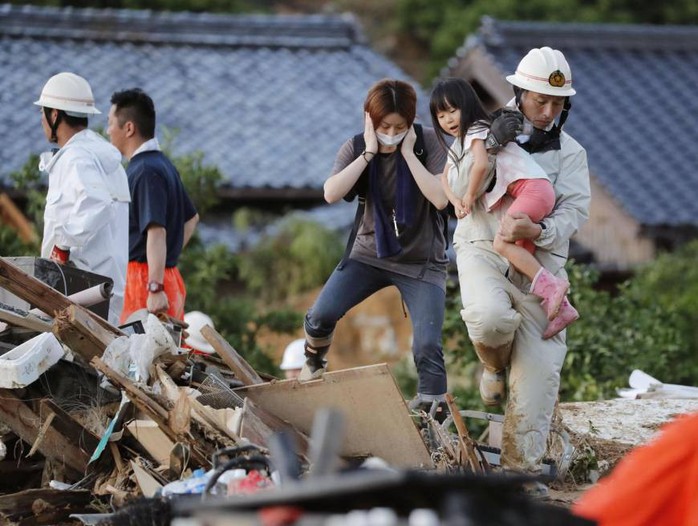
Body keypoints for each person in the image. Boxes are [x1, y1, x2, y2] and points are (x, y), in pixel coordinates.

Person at [450, 47, 591, 485]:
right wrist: (489, 147)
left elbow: (576, 211)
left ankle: (521, 486)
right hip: (483, 251)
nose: (548, 111)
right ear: (518, 92)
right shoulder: (479, 127)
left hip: (541, 269)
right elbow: (455, 193)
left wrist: (539, 229)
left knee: (536, 390)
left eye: (557, 103)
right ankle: (492, 366)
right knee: (489, 318)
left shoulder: (571, 153)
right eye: (539, 100)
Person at [300, 78, 450, 412]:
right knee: (320, 315)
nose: (392, 133)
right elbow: (331, 192)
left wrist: (409, 155)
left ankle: (433, 414)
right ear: (369, 119)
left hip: (421, 261)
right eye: (385, 126)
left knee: (427, 345)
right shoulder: (356, 147)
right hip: (369, 253)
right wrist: (369, 152)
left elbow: (441, 199)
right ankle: (313, 360)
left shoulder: (429, 144)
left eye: (400, 126)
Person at [431, 78, 578, 339]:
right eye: (441, 115)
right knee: (521, 260)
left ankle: (555, 287)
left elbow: (477, 167)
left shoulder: (478, 129)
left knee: (502, 244)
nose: (448, 119)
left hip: (532, 191)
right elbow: (445, 177)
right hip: (535, 192)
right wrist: (456, 200)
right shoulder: (463, 140)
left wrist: (468, 195)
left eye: (453, 110)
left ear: (467, 106)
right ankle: (562, 308)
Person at [34, 72, 130, 325]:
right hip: (105, 292)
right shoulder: (103, 158)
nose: (42, 120)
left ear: (54, 115)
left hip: (80, 291)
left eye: (43, 113)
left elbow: (97, 204)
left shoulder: (77, 158)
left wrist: (62, 245)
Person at [107, 88, 199, 323]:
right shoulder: (163, 164)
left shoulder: (145, 171)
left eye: (110, 124)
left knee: (137, 356)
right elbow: (191, 219)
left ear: (129, 128)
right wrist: (167, 260)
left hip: (145, 281)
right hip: (166, 276)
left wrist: (155, 286)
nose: (108, 131)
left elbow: (156, 230)